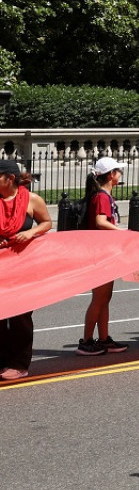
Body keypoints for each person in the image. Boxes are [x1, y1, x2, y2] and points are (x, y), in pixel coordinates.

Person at [0, 160, 52, 379]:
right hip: (2, 264)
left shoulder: (31, 199)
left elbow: (46, 222)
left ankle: (20, 364)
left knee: (21, 315)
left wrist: (30, 233)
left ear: (9, 178)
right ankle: (2, 361)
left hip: (24, 265)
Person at [78, 157, 131, 356]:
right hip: (100, 255)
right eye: (119, 171)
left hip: (105, 253)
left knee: (105, 298)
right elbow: (101, 221)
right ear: (111, 175)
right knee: (99, 298)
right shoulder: (102, 197)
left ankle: (103, 338)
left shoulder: (103, 195)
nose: (120, 174)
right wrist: (122, 232)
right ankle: (86, 341)